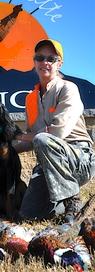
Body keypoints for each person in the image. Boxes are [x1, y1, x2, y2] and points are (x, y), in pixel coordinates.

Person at [13, 39, 95, 224]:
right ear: (34, 61)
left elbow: (54, 135)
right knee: (27, 215)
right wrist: (6, 149)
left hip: (80, 159)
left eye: (51, 58)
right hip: (50, 165)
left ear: (60, 64)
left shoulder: (68, 89)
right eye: (40, 58)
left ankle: (73, 201)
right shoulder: (30, 98)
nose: (45, 63)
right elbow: (29, 140)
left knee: (43, 139)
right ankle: (59, 202)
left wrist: (18, 135)